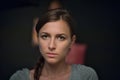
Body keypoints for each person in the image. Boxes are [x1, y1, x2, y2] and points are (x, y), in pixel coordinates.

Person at [9, 8, 98, 80]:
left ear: (72, 41)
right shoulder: (20, 78)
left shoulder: (86, 76)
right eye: (45, 36)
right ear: (38, 38)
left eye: (61, 38)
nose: (51, 46)